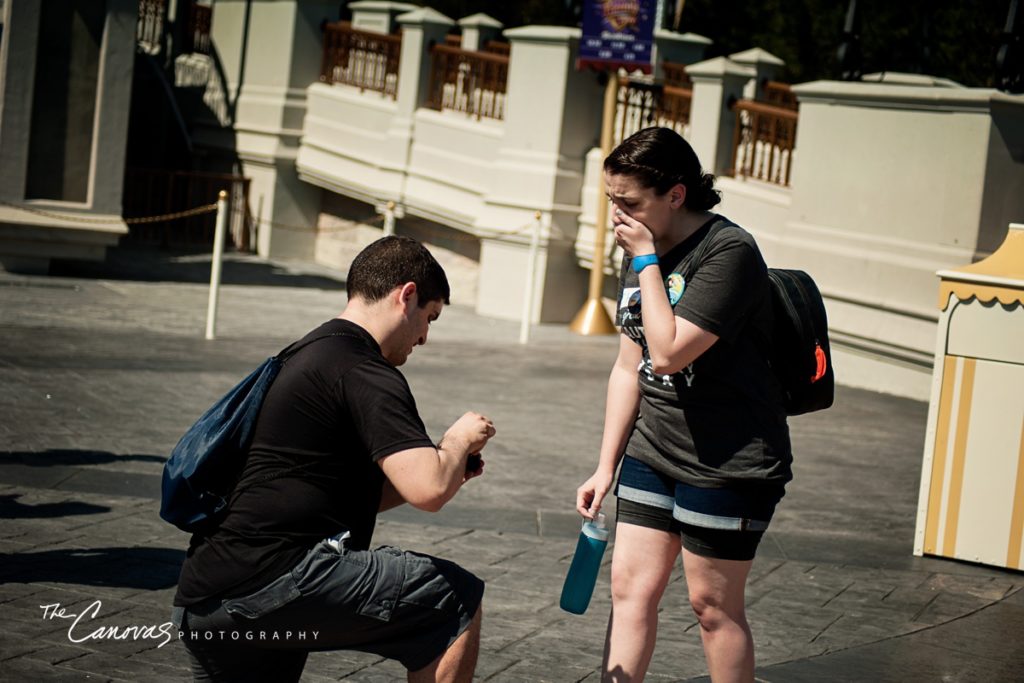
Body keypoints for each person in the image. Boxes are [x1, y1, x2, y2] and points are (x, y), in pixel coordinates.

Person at [172, 235, 496, 682]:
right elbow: (429, 490)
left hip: (209, 595)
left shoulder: (308, 351)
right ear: (407, 295)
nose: (424, 337)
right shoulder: (364, 369)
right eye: (430, 318)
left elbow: (350, 496)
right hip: (272, 582)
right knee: (452, 600)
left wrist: (449, 468)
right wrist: (457, 441)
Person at [575, 127, 792, 682]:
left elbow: (669, 353)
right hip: (654, 452)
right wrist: (607, 466)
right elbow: (631, 366)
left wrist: (646, 259)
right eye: (611, 201)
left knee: (712, 608)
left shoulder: (729, 253)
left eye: (629, 203)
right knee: (628, 590)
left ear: (676, 194)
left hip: (728, 462)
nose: (617, 216)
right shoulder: (643, 247)